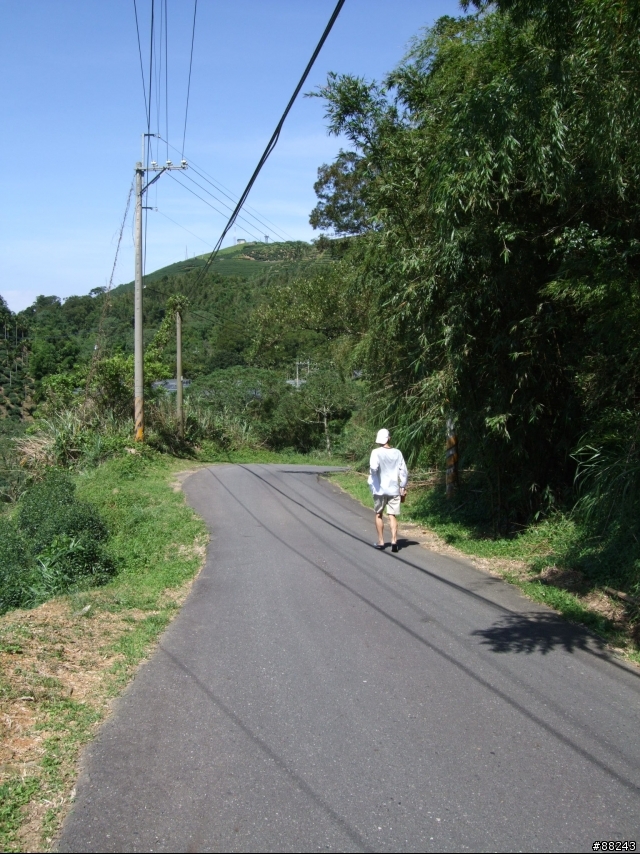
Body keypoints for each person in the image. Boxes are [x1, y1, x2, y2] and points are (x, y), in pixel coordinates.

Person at [368, 428, 408, 553]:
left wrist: (373, 476)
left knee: (378, 514)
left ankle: (380, 541)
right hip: (394, 488)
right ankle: (394, 541)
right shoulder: (397, 453)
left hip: (379, 489)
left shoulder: (375, 452)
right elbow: (404, 472)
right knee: (392, 515)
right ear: (389, 438)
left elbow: (373, 468)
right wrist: (403, 486)